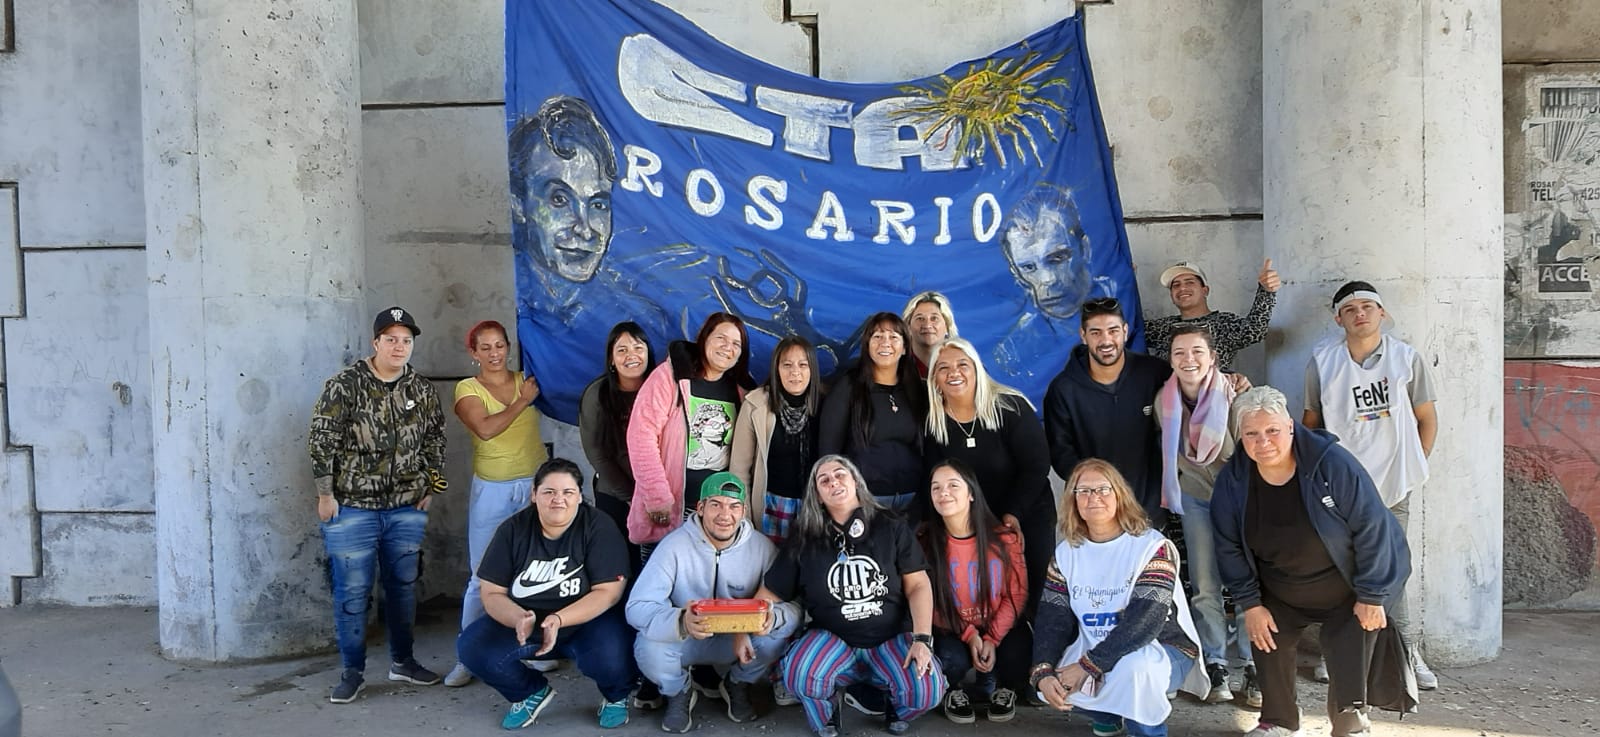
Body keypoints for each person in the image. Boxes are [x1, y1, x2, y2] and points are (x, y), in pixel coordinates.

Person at [1213, 387, 1411, 737]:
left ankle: (1350, 719)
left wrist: (1372, 594)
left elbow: (1373, 528)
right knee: (1267, 637)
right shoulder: (1234, 479)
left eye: (1272, 430)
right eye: (1251, 434)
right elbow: (1228, 546)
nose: (1263, 442)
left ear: (1290, 426)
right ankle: (1280, 720)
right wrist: (1251, 604)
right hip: (1282, 588)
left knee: (1352, 641)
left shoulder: (1332, 463)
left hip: (1348, 585)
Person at [1302, 281, 1439, 690]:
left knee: (1390, 571)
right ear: (1338, 318)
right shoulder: (1322, 362)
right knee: (1340, 571)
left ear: (1382, 313)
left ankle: (1408, 653)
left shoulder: (1406, 359)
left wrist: (1413, 463)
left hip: (1393, 487)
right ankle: (1339, 654)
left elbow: (1427, 419)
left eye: (1367, 306)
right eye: (1350, 309)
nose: (1359, 314)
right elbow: (1310, 425)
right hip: (1341, 489)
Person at [308, 306, 447, 704]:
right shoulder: (345, 385)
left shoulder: (421, 389)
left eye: (406, 340)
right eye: (391, 340)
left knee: (403, 589)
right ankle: (352, 672)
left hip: (406, 507)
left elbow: (436, 438)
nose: (399, 347)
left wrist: (431, 484)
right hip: (352, 507)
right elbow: (322, 440)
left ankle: (403, 662)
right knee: (352, 593)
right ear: (376, 343)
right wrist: (325, 494)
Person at [764, 455, 946, 737]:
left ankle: (894, 705)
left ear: (856, 482)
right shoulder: (805, 536)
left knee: (927, 690)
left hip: (890, 641)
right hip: (833, 643)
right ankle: (828, 710)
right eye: (824, 480)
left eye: (840, 474)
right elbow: (771, 593)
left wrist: (923, 639)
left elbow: (919, 584)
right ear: (818, 496)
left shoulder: (891, 525)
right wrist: (742, 631)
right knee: (799, 674)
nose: (833, 482)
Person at [1030, 459, 1209, 737]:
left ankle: (1147, 733)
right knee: (1052, 675)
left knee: (1134, 670)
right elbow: (1053, 619)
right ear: (1073, 500)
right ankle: (1108, 714)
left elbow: (1145, 622)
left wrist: (1088, 666)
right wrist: (1042, 672)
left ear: (1120, 495)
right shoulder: (1066, 553)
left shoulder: (1151, 546)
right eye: (1083, 491)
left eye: (1103, 489)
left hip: (1164, 648)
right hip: (1097, 648)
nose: (1094, 497)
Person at [457, 458, 638, 730]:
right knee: (472, 647)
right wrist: (517, 617)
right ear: (534, 494)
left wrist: (559, 619)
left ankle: (616, 696)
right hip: (528, 621)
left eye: (568, 492)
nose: (558, 500)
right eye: (549, 491)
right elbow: (492, 592)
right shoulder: (513, 529)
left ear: (579, 496)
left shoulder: (598, 526)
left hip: (585, 622)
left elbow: (608, 593)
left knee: (614, 653)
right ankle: (529, 692)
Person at [626, 473, 802, 732]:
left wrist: (770, 618)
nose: (725, 515)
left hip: (737, 642)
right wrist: (680, 620)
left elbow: (795, 607)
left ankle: (737, 683)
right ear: (700, 508)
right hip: (687, 638)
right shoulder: (673, 546)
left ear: (743, 511)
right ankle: (678, 691)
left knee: (777, 634)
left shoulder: (762, 548)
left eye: (734, 506)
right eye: (716, 504)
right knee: (648, 646)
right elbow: (637, 607)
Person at [1152, 324, 1258, 706]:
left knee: (1248, 580)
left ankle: (1253, 663)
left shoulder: (1237, 396)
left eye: (1197, 351)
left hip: (1240, 499)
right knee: (1204, 583)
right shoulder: (1163, 402)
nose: (1188, 360)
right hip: (1196, 496)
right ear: (1170, 360)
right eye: (1179, 352)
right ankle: (1215, 663)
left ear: (1212, 357)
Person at [444, 320, 549, 688]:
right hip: (493, 489)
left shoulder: (526, 380)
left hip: (534, 485)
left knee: (532, 571)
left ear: (508, 346)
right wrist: (522, 401)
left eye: (499, 345)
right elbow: (486, 429)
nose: (494, 353)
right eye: (485, 347)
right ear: (473, 353)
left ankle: (530, 649)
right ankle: (468, 657)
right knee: (482, 575)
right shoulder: (467, 388)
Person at [627, 313, 754, 547]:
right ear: (704, 338)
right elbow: (641, 436)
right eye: (721, 338)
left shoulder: (742, 391)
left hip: (717, 514)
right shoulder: (670, 377)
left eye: (736, 344)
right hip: (671, 509)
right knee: (660, 568)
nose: (728, 347)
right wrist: (657, 497)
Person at [1043, 297, 1173, 527]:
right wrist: (1095, 489)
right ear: (1083, 335)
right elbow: (1061, 454)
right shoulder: (1063, 389)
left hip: (1151, 511)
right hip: (1096, 517)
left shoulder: (1154, 372)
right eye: (1096, 333)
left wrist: (1230, 381)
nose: (1106, 340)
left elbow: (1193, 390)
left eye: (1113, 331)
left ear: (1125, 331)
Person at [916, 460, 1027, 724]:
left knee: (1020, 653)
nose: (944, 492)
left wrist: (992, 638)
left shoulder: (1005, 539)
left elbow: (1016, 594)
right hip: (954, 630)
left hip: (997, 627)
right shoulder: (925, 543)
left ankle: (1000, 685)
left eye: (953, 485)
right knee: (949, 660)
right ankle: (953, 691)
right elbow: (929, 602)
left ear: (971, 493)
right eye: (936, 487)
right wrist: (969, 635)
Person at [817, 313, 927, 516]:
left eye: (893, 337)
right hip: (865, 500)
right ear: (867, 346)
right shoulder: (849, 387)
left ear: (905, 347)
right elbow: (828, 450)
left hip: (912, 502)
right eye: (877, 336)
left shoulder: (916, 390)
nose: (885, 342)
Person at [730, 335, 823, 543]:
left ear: (812, 369)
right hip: (769, 508)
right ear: (776, 368)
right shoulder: (755, 405)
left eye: (803, 365)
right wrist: (744, 519)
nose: (795, 372)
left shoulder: (826, 404)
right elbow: (739, 469)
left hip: (815, 509)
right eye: (787, 365)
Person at [578, 321, 655, 569]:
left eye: (638, 348)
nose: (631, 355)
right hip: (615, 495)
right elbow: (597, 454)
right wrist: (632, 497)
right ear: (611, 359)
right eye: (622, 350)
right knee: (619, 565)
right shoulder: (597, 394)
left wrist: (654, 495)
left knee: (655, 565)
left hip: (658, 496)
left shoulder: (661, 389)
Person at [1144, 260, 1280, 369]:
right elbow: (1131, 330)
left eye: (1189, 282)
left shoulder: (1224, 323)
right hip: (1167, 394)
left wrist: (1266, 292)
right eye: (1176, 285)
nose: (1182, 288)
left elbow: (1255, 331)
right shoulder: (1162, 328)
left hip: (1211, 394)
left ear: (1205, 290)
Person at [999, 185, 1095, 320]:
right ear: (1015, 271)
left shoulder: (1119, 294)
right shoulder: (1017, 330)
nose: (1048, 279)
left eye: (1058, 258)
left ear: (1085, 249)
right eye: (1028, 267)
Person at [901, 291, 959, 377]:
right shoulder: (894, 368)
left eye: (934, 318)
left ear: (947, 326)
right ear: (908, 327)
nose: (927, 325)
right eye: (920, 319)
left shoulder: (962, 366)